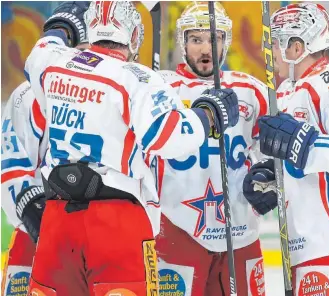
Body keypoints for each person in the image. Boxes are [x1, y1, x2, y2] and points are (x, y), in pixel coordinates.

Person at [16, 1, 239, 295]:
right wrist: (209, 114)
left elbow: (42, 49)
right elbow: (170, 137)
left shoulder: (54, 62)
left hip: (57, 221)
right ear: (134, 36)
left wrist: (63, 22)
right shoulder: (138, 78)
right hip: (116, 220)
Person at [243, 3, 329, 295]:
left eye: (275, 44)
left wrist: (302, 144)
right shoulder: (283, 93)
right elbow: (294, 159)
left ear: (296, 47)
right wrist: (269, 177)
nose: (270, 54)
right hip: (300, 242)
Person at [152, 2, 269, 295]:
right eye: (196, 40)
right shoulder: (162, 88)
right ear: (182, 43)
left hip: (239, 231)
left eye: (214, 38)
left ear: (225, 42)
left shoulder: (250, 90)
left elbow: (270, 152)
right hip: (178, 229)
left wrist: (270, 179)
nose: (206, 48)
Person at [1, 2, 91, 293]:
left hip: (101, 237)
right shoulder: (28, 96)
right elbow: (12, 170)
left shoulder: (121, 93)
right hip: (38, 237)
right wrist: (40, 222)